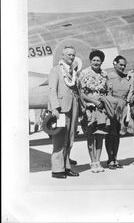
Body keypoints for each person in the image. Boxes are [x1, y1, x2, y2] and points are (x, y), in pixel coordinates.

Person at [47, 46, 80, 179]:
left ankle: (66, 167)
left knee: (70, 138)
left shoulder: (74, 71)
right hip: (61, 109)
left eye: (73, 55)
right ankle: (57, 169)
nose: (71, 57)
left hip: (73, 108)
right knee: (59, 139)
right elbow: (51, 90)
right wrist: (54, 107)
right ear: (63, 56)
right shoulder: (56, 70)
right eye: (69, 55)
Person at [78, 49, 109, 173]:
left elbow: (107, 91)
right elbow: (81, 93)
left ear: (101, 62)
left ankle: (98, 161)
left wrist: (103, 102)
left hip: (101, 108)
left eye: (98, 60)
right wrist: (93, 101)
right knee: (90, 136)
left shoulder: (104, 74)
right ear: (90, 61)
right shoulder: (84, 73)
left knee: (100, 135)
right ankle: (92, 162)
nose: (96, 62)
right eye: (94, 60)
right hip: (89, 107)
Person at [105, 55, 134, 169]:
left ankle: (115, 158)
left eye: (124, 65)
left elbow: (130, 93)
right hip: (111, 108)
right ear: (114, 63)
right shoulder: (109, 76)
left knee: (117, 135)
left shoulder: (127, 78)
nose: (122, 67)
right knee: (110, 134)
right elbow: (107, 94)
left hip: (123, 110)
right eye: (120, 64)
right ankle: (109, 159)